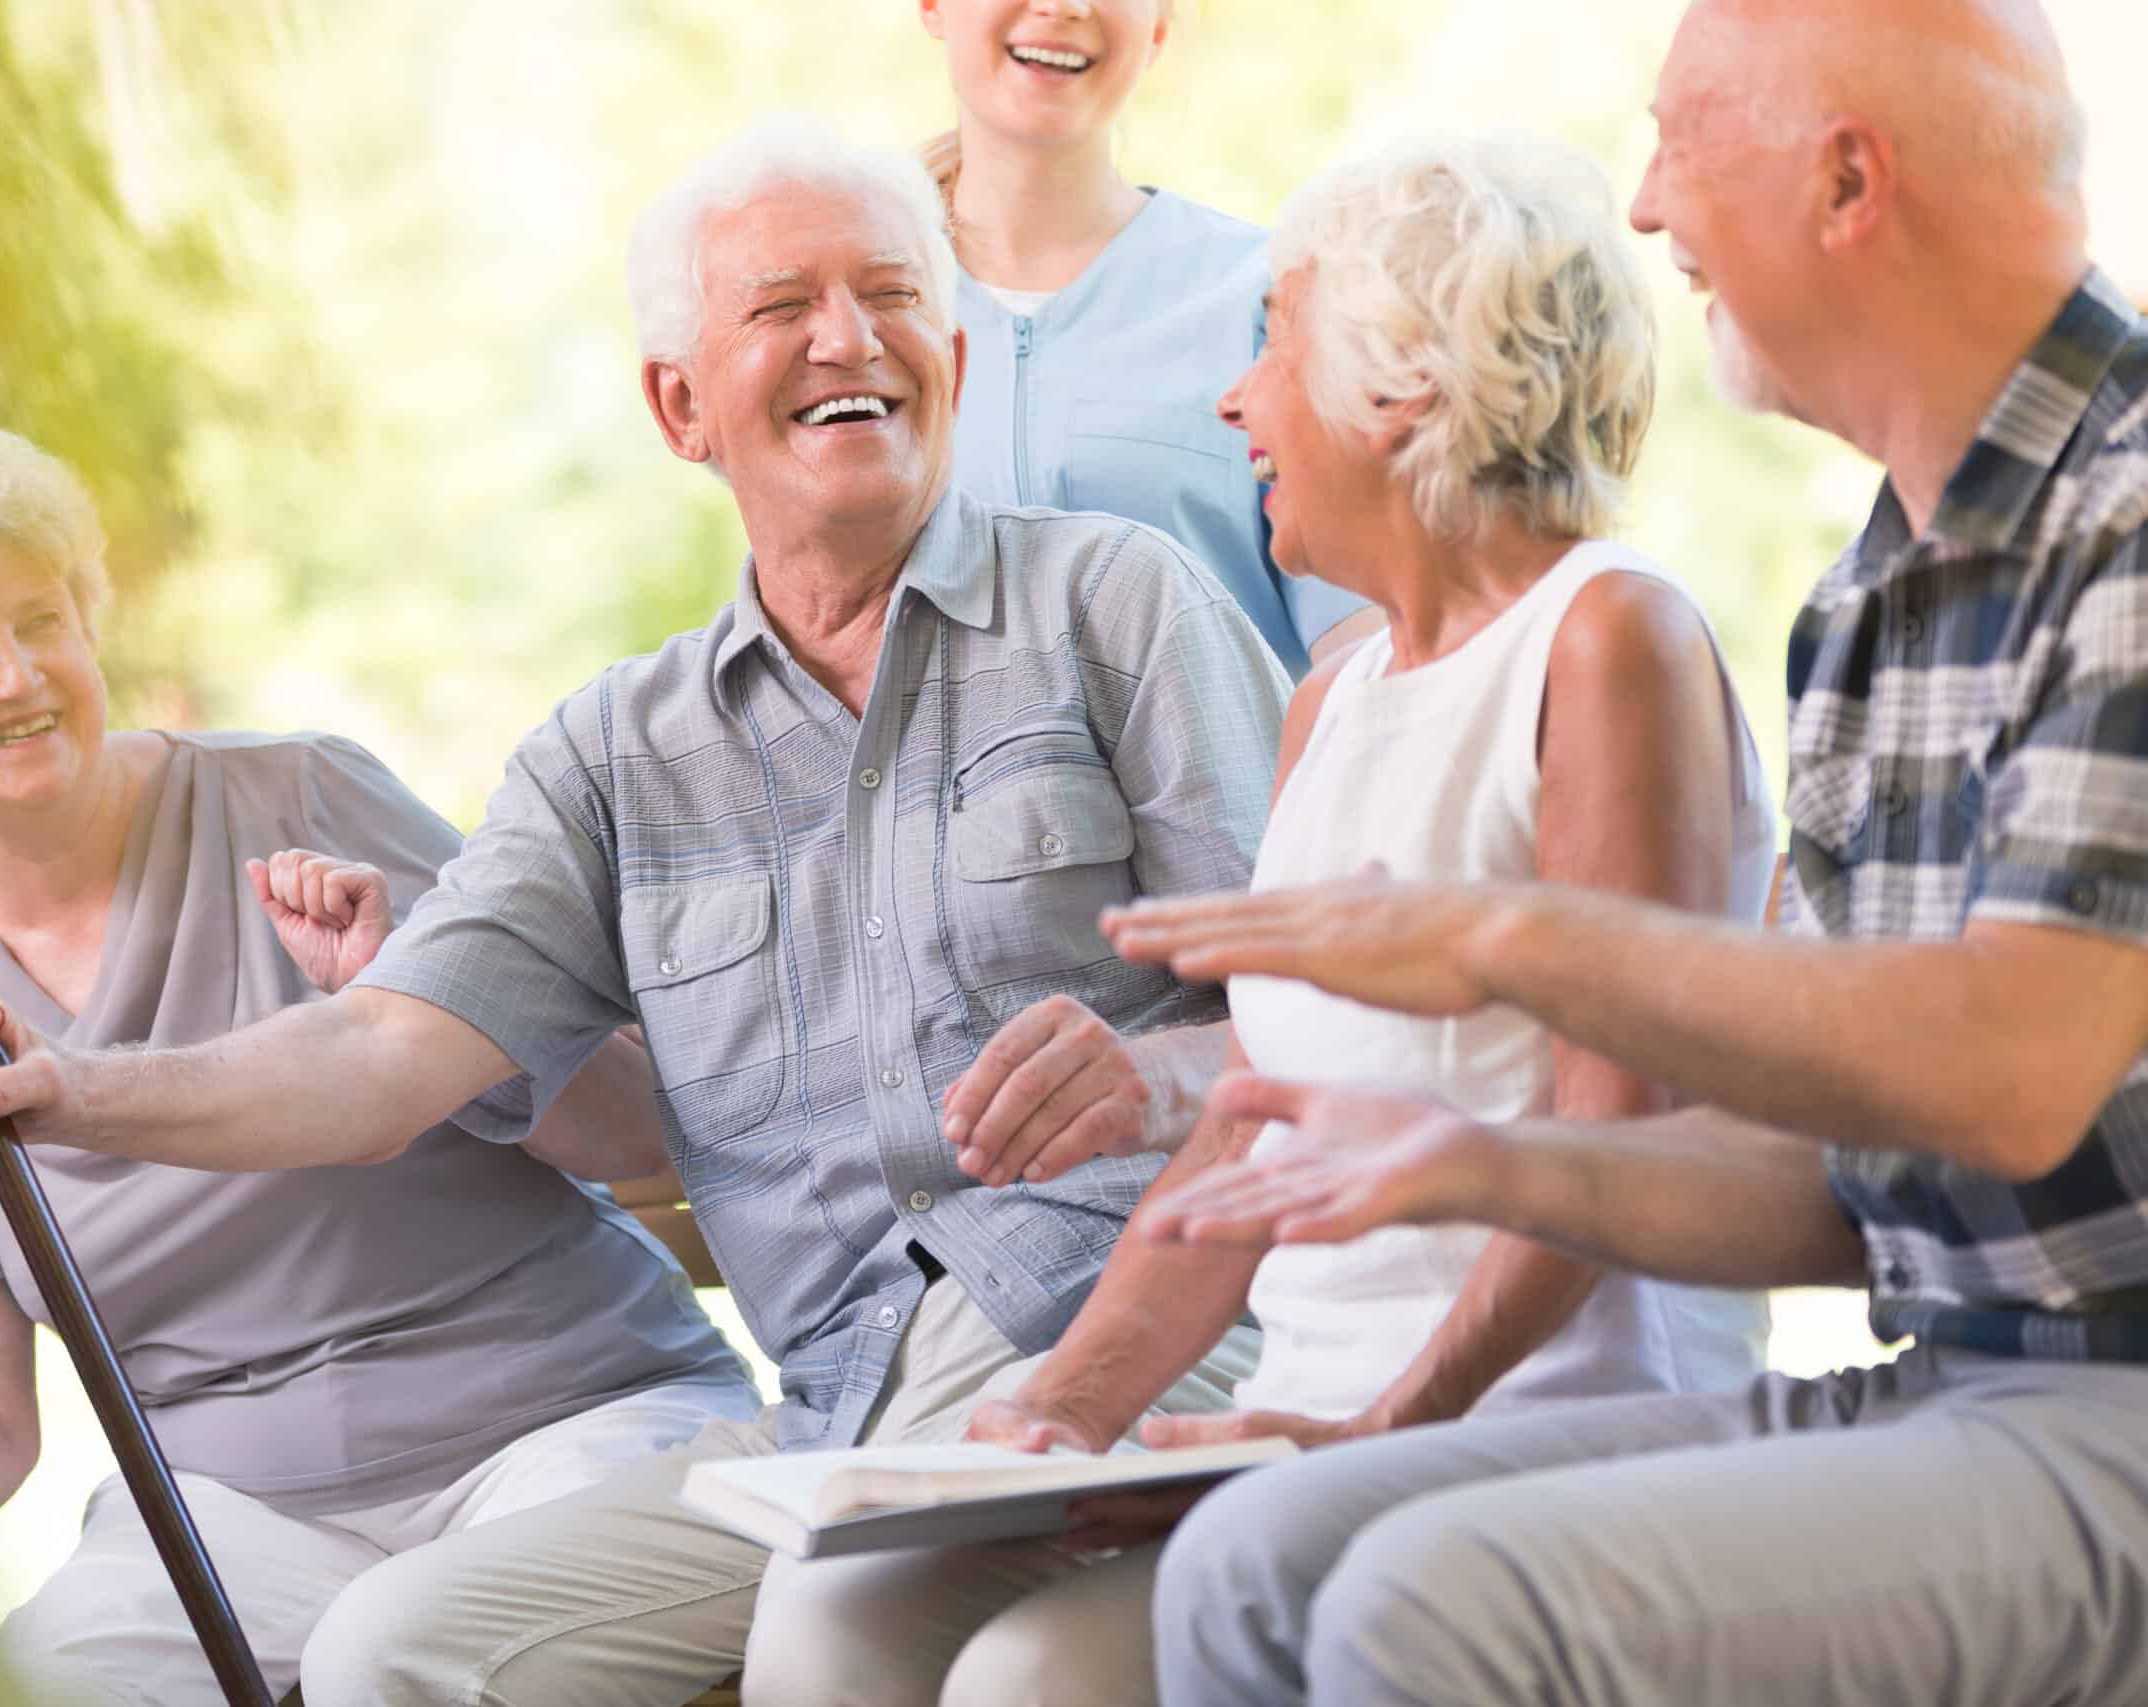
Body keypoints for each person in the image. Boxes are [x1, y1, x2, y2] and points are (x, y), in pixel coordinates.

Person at [0, 120, 1291, 1707]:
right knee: (394, 1648)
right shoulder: (615, 756)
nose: (847, 337)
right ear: (680, 405)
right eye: (780, 307)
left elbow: (1321, 1021)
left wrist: (1159, 1075)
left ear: (951, 355)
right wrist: (77, 1085)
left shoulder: (1116, 602)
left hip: (1142, 1319)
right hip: (828, 1416)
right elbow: (373, 1059)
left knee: (844, 1639)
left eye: (891, 294)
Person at [1102, 3, 2148, 1703]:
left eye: (1683, 139)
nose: (1647, 211)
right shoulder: (1869, 599)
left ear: (1846, 178)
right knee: (1250, 1560)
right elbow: (1836, 1188)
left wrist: (1507, 940)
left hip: (2119, 1396)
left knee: (1431, 1607)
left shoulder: (2130, 518)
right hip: (1948, 1371)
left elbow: (2017, 1072)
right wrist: (1476, 1160)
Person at [751, 132, 1777, 1707]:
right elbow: (1245, 1129)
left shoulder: (1607, 635)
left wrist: (1374, 1431)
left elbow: (1612, 1137)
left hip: (1537, 1431)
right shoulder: (1333, 698)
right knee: (844, 1622)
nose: (1236, 403)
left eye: (1274, 346)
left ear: (1405, 386)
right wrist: (1066, 1411)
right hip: (1310, 1431)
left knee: (1038, 1678)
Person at [0, 423, 756, 1705]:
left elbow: (638, 1128)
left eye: (44, 619)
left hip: (562, 1428)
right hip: (246, 1529)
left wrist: (411, 993)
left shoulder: (301, 800)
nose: (22, 672)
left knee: (404, 1661)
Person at [918, 0, 1372, 671]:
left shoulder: (1271, 301)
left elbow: (1361, 650)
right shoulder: (853, 316)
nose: (1060, 7)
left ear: (1159, 24)